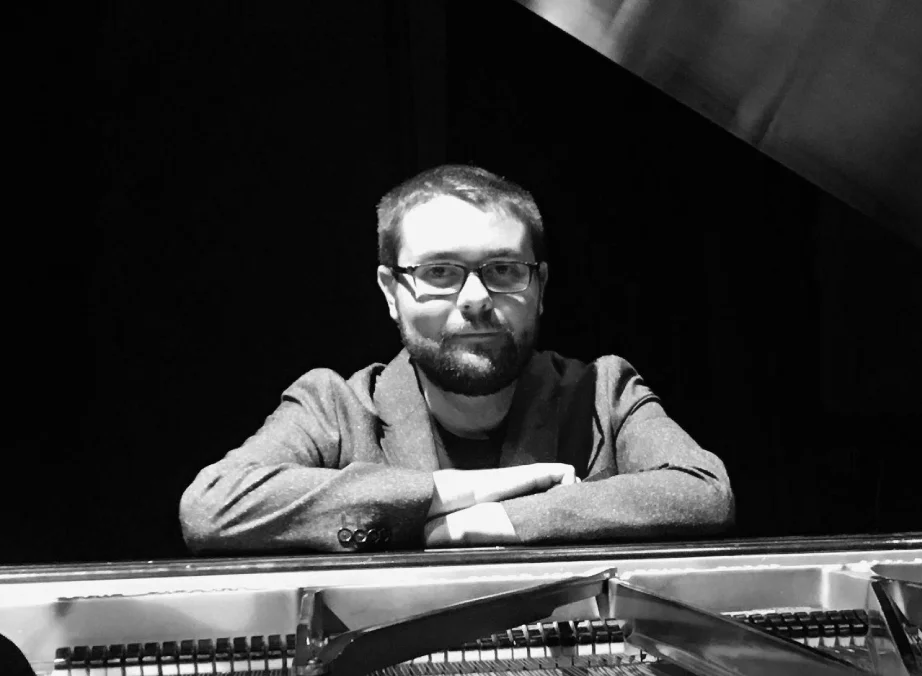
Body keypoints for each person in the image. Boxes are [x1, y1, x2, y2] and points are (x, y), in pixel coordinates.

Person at [179, 164, 733, 553]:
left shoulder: (603, 394)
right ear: (390, 290)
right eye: (439, 273)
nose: (475, 299)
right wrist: (442, 498)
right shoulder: (333, 405)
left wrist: (501, 520)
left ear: (540, 285)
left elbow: (702, 493)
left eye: (504, 270)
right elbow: (213, 507)